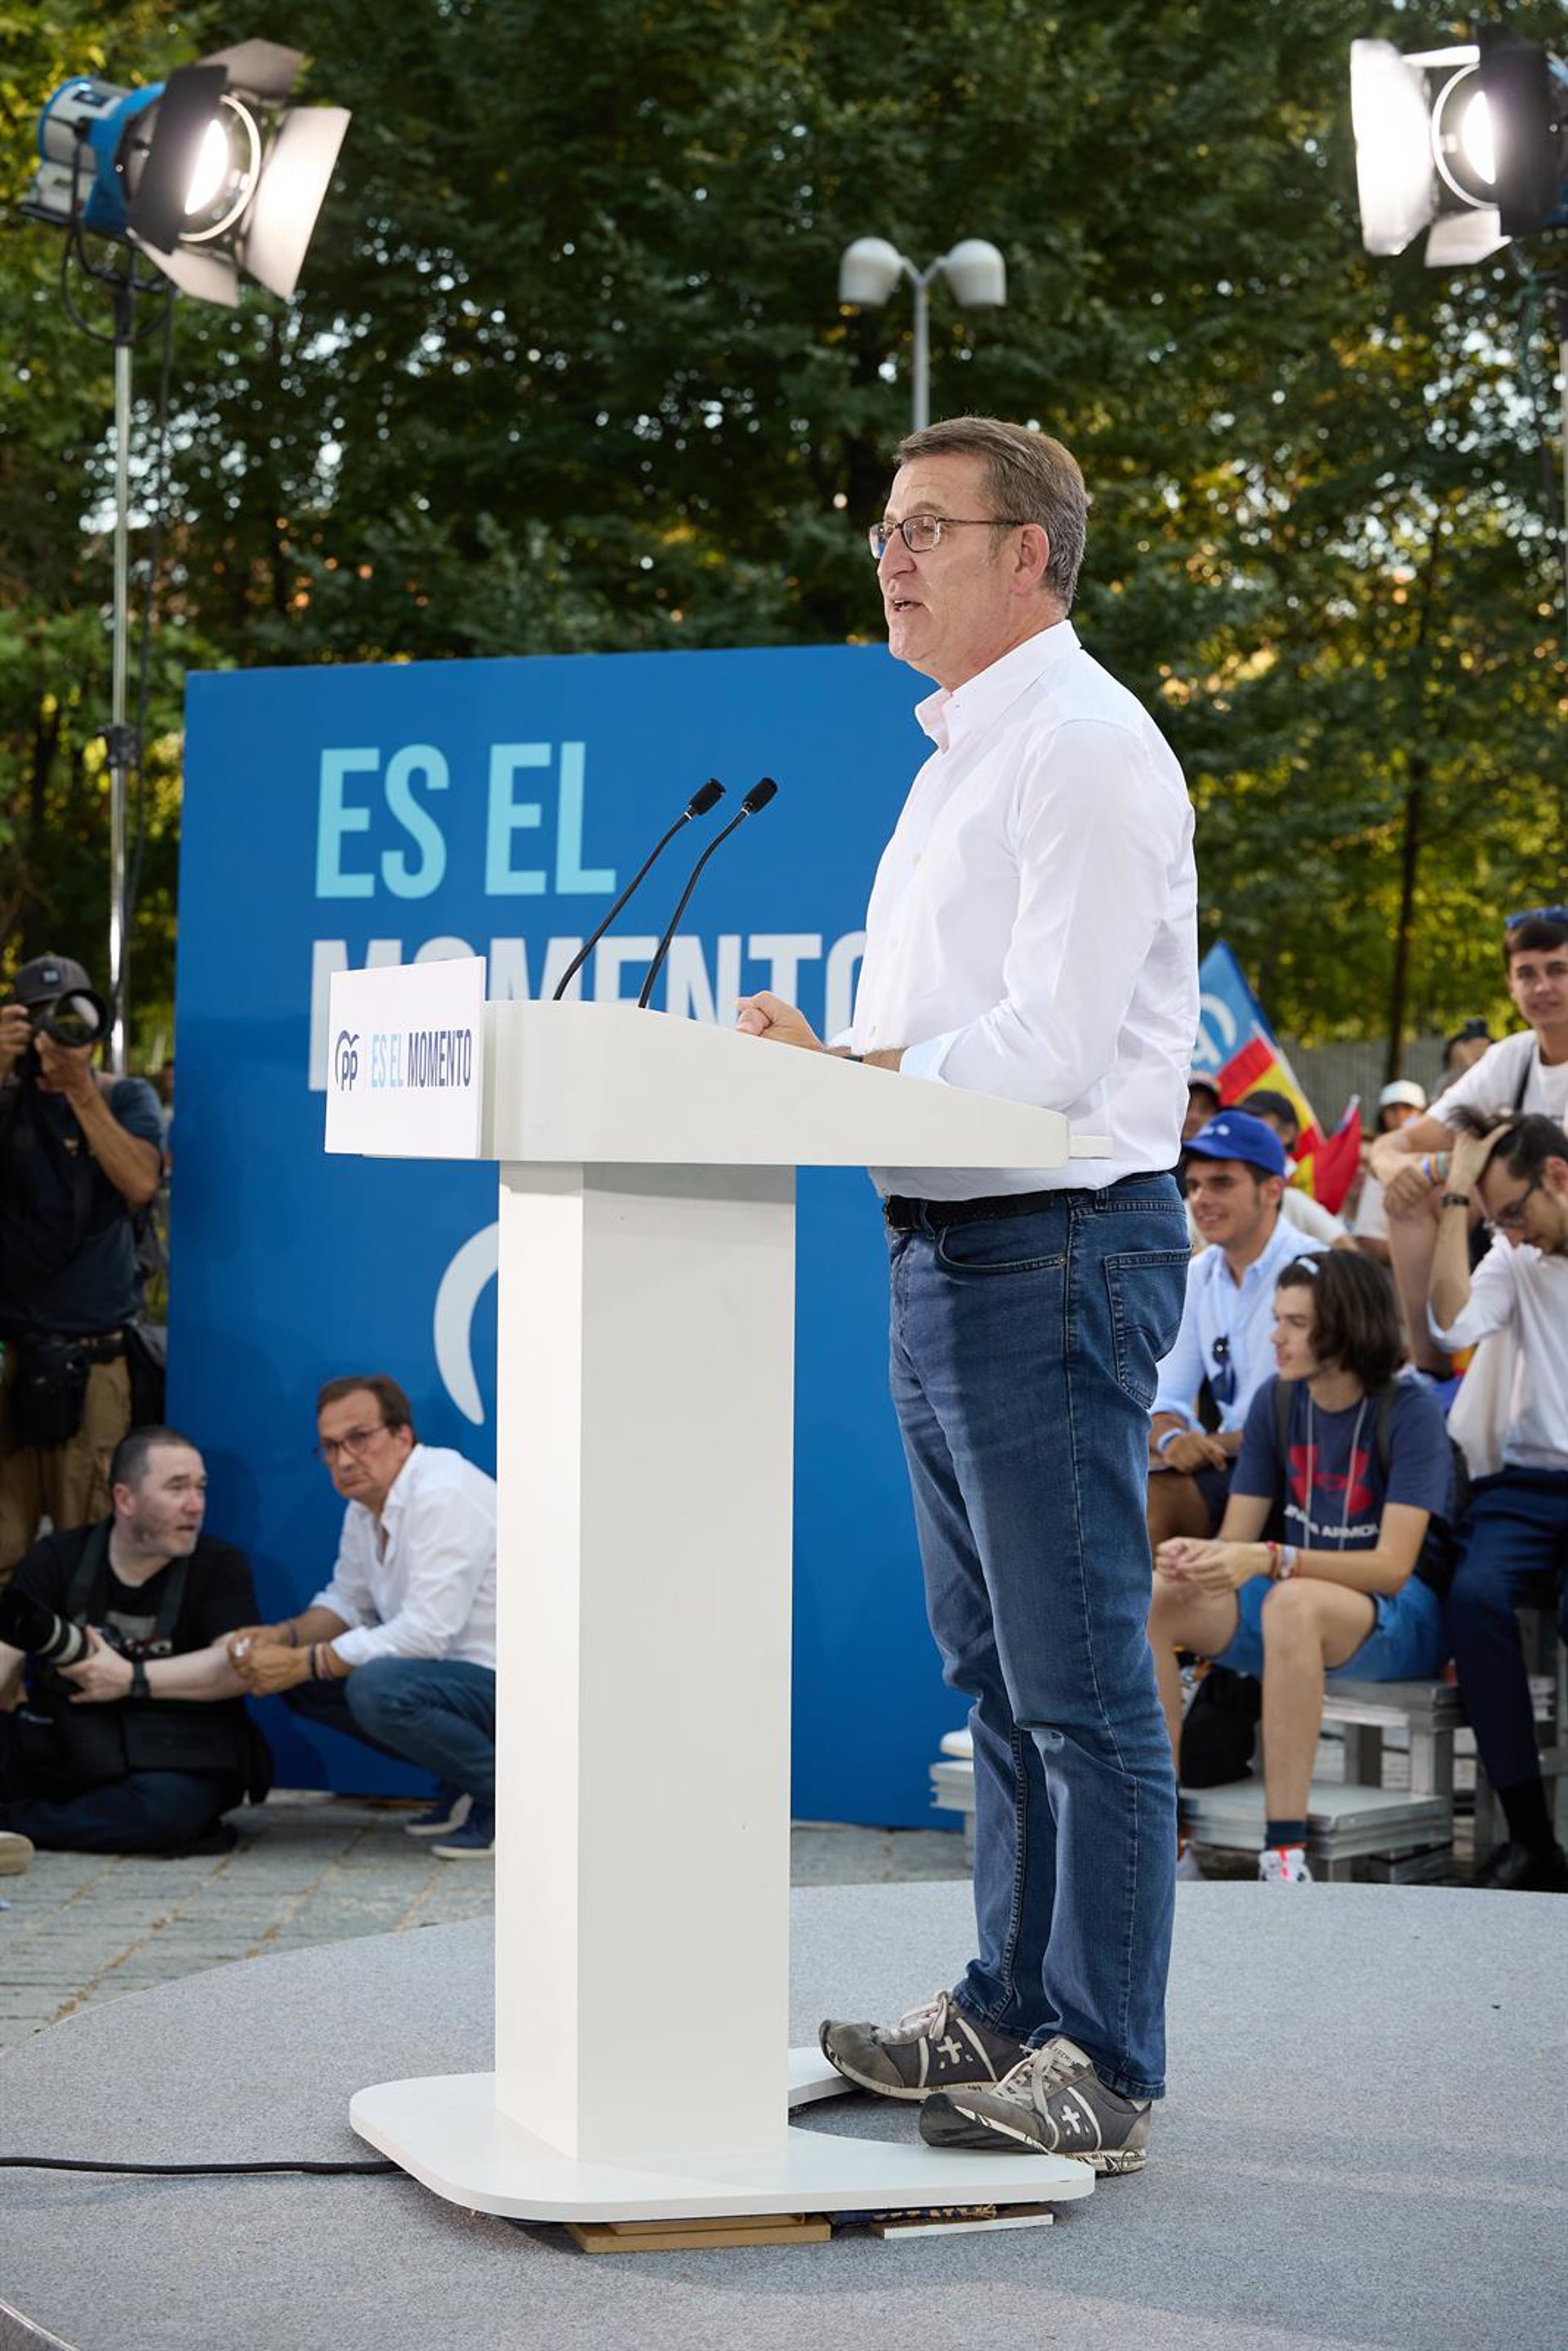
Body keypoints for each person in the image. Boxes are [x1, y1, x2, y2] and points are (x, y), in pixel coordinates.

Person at [735, 416, 1196, 2173]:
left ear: (1031, 553)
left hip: (1055, 1240)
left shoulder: (1081, 744)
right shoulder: (961, 751)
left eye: (928, 526)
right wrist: (845, 1071)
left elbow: (1052, 1046)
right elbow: (951, 1036)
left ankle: (1107, 2059)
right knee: (998, 1670)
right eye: (885, 527)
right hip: (949, 1239)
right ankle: (1006, 2002)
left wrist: (848, 1072)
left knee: (1078, 1680)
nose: (892, 556)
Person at [1150, 1253, 1453, 1883]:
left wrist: (1272, 1558)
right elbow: (1236, 1541)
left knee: (1292, 1602)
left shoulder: (1411, 1410)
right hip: (1300, 1595)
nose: (1275, 1337)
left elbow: (1393, 1567)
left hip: (1400, 1615)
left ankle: (1283, 1853)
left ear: (1346, 1326)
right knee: (1159, 1594)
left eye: (1295, 1323)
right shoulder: (1278, 1400)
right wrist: (1198, 1558)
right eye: (1277, 1318)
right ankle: (1164, 1835)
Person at [228, 1375, 499, 1859]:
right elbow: (348, 1602)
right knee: (309, 1679)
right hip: (452, 1679)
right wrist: (283, 1637)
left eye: (359, 1438)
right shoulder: (365, 1506)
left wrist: (305, 1662)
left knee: (377, 1687)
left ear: (403, 1437)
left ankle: (511, 1798)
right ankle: (464, 1784)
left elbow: (426, 1633)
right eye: (331, 1447)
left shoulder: (443, 1492)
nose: (345, 1459)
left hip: (512, 1684)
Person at [0, 1427, 270, 1855]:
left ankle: (17, 1824)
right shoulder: (57, 1558)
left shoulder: (219, 1566)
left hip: (175, 1755)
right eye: (176, 1488)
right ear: (125, 1499)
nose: (196, 1505)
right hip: (71, 1744)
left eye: (200, 1488)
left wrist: (130, 1677)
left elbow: (237, 1667)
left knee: (163, 1814)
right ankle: (48, 1822)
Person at [1428, 1112, 1568, 1891]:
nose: (1510, 1231)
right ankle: (1531, 1838)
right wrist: (1458, 1195)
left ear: (1558, 1176)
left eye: (1513, 1211)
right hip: (1525, 1485)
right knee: (1475, 1597)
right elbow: (1450, 1322)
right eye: (1497, 1220)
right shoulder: (1514, 1257)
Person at [0, 954, 166, 1583]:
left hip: (93, 1363)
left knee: (89, 1556)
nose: (53, 1033)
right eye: (38, 1018)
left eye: (69, 1017)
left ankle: (79, 1652)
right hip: (7, 1359)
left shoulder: (123, 1096)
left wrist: (79, 1090)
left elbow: (140, 1182)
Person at [1371, 910, 1568, 1372]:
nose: (1542, 987)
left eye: (1558, 970)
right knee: (1409, 1195)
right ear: (1510, 985)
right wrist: (1409, 1172)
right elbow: (1392, 1146)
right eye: (1527, 974)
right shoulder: (1511, 1060)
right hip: (1519, 1233)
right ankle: (1431, 1374)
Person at [1150, 1111, 1329, 1550]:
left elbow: (1316, 1420)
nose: (1201, 1199)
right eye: (1194, 1185)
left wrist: (1203, 1444)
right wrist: (1173, 1439)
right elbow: (1162, 1402)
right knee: (1126, 1501)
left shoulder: (1318, 1269)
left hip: (1313, 1472)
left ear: (1273, 1190)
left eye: (1222, 1183)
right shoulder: (1199, 1274)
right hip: (1238, 1466)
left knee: (1149, 1507)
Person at [1233, 1087, 1352, 1251]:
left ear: (1287, 1133)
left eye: (1257, 1122)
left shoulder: (1297, 1194)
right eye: (1243, 1122)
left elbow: (1349, 1252)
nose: (1247, 1130)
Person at [1352, 1080, 1428, 1265]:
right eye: (1393, 1109)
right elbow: (1369, 1240)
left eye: (1408, 1108)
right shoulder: (1378, 1160)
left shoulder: (1436, 1156)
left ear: (1422, 1113)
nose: (1400, 1115)